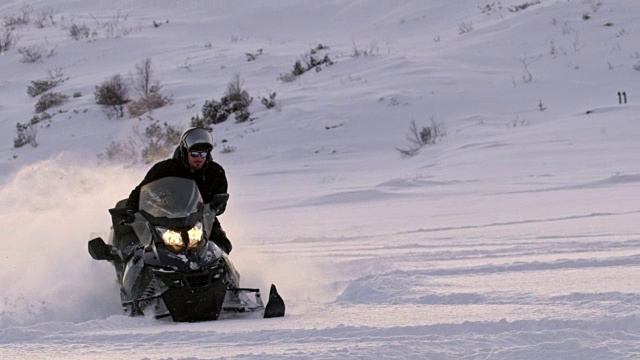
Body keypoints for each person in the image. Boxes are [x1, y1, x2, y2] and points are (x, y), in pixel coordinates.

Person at [123, 127, 233, 254]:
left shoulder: (215, 172)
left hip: (201, 219)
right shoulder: (165, 169)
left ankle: (225, 273)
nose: (199, 158)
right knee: (140, 250)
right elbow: (141, 190)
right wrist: (130, 209)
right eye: (194, 154)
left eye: (203, 154)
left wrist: (215, 206)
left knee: (223, 246)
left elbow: (221, 204)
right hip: (163, 218)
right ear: (185, 151)